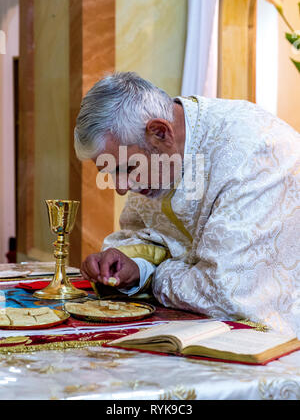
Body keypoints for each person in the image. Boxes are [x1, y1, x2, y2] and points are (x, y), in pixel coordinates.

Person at [74, 71, 300, 336]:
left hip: (275, 347)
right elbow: (143, 238)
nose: (121, 187)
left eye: (125, 168)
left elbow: (225, 292)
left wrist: (152, 277)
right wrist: (131, 267)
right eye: (110, 173)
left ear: (160, 132)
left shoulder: (252, 151)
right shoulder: (153, 154)